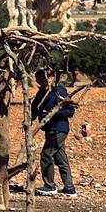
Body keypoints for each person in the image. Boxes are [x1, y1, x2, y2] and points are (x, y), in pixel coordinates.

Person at [31, 69, 77, 197]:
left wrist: (53, 113)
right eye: (38, 78)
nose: (41, 81)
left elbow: (70, 111)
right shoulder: (40, 94)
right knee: (60, 157)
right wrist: (27, 122)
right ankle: (70, 188)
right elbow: (34, 110)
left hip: (59, 129)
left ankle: (49, 186)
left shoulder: (59, 92)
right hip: (49, 130)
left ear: (51, 78)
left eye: (44, 77)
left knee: (46, 155)